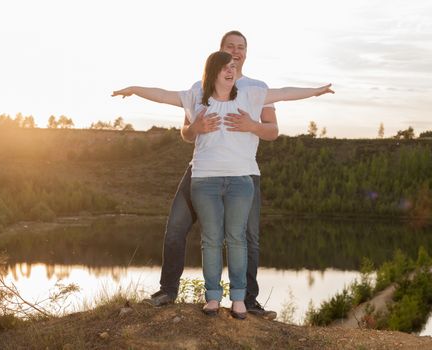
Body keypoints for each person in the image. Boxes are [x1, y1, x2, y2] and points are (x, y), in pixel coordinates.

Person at [112, 50, 334, 319]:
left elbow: (285, 92)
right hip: (204, 179)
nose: (232, 70)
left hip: (241, 180)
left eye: (234, 66)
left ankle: (239, 300)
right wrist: (135, 89)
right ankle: (212, 298)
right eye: (226, 67)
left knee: (237, 239)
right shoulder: (195, 96)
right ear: (213, 71)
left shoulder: (250, 94)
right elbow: (162, 95)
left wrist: (315, 91)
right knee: (211, 240)